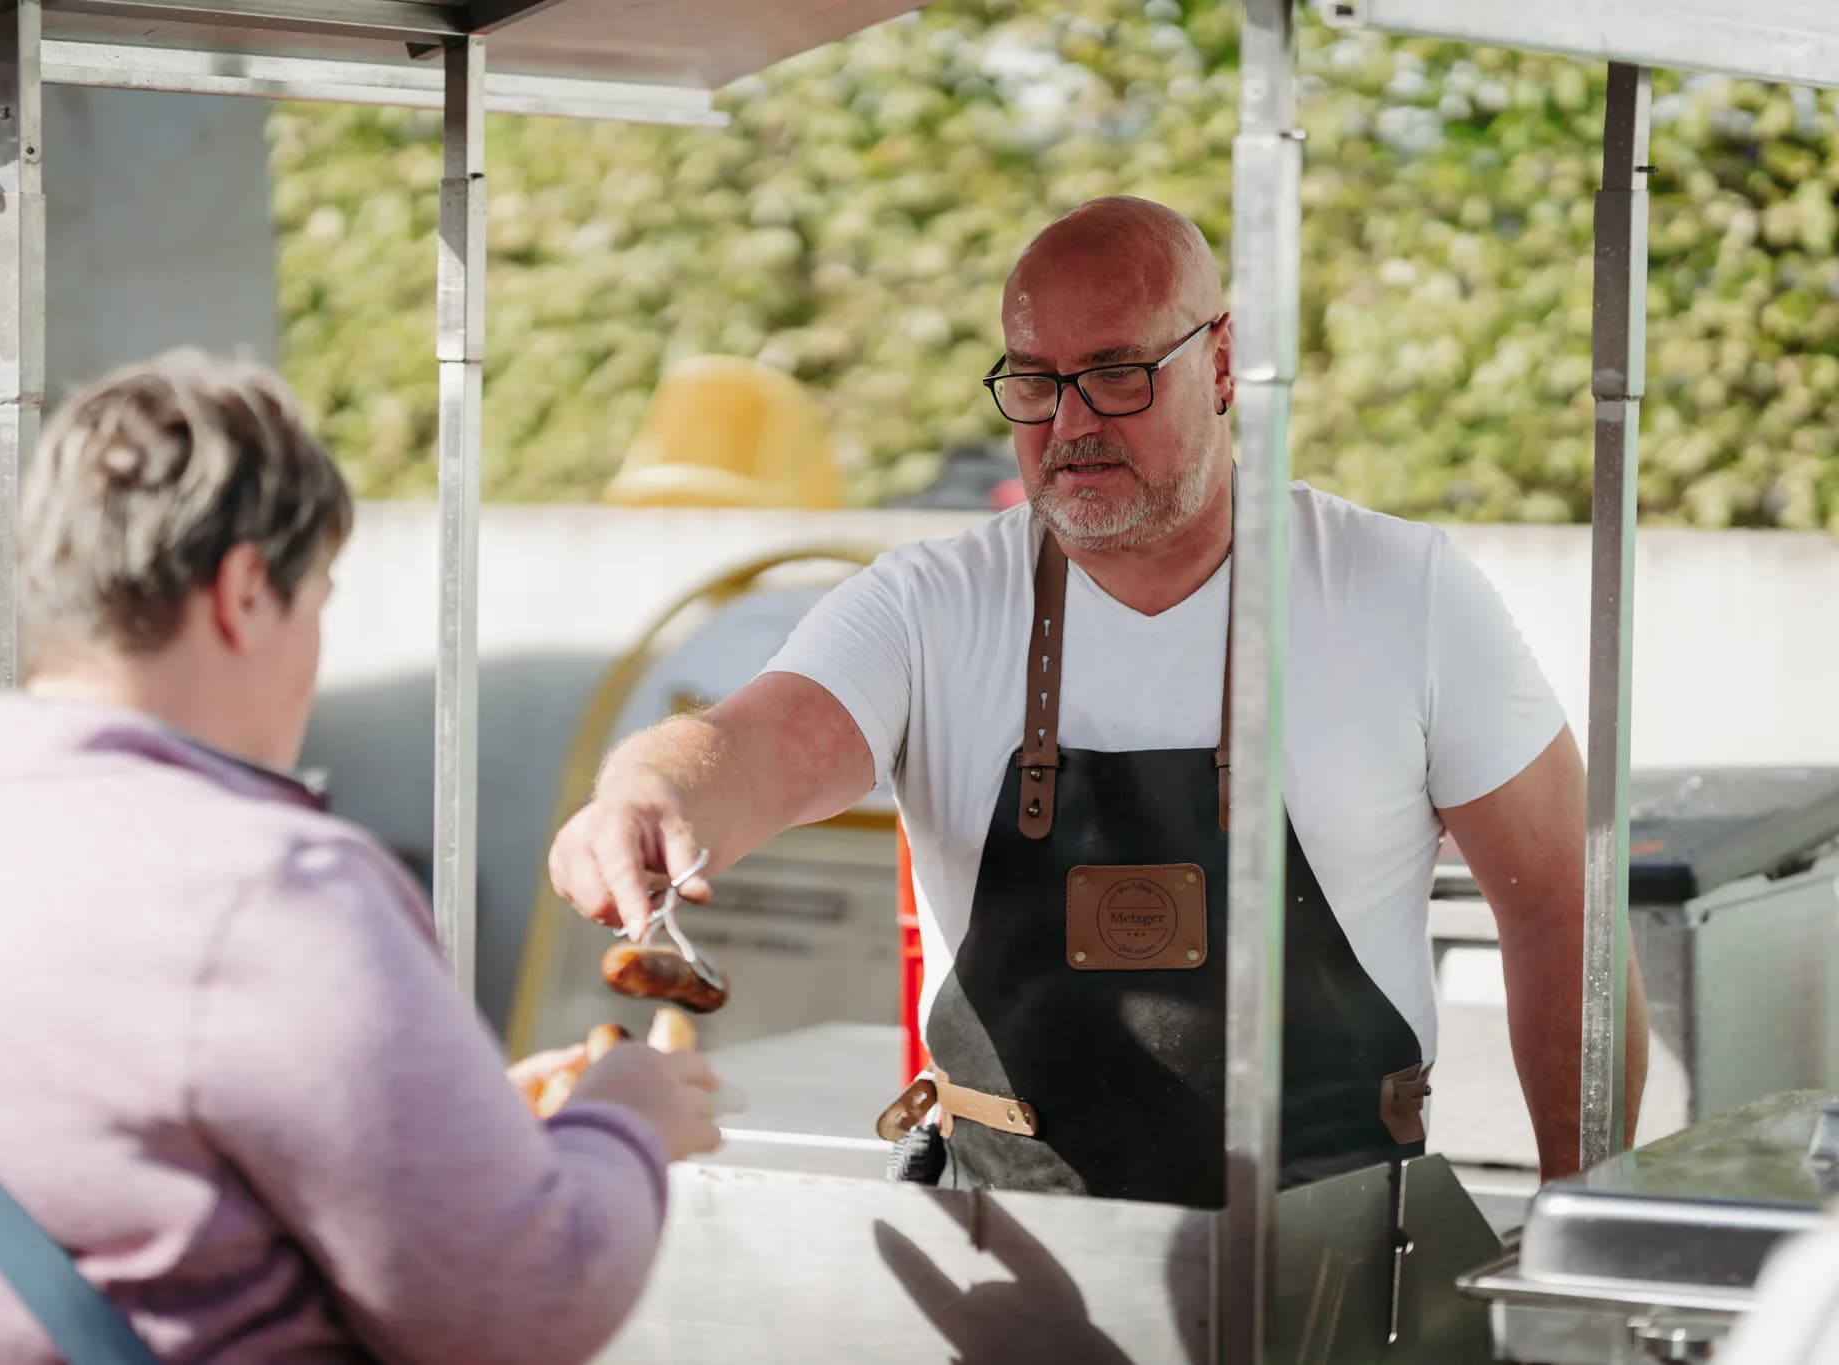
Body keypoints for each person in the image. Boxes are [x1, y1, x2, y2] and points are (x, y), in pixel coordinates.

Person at [550, 195, 1648, 1206]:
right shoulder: (930, 605)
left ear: (1220, 362)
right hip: (1011, 1255)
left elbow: (1562, 905)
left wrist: (1575, 1220)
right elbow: (752, 745)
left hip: (1331, 1248)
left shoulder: (1398, 592)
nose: (1069, 423)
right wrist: (647, 796)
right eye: (1033, 379)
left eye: (1118, 373)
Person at [0, 352, 719, 1362]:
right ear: (242, 592)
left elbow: (122, 1159)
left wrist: (466, 1128)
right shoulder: (273, 890)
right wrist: (622, 1121)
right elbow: (527, 1301)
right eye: (318, 598)